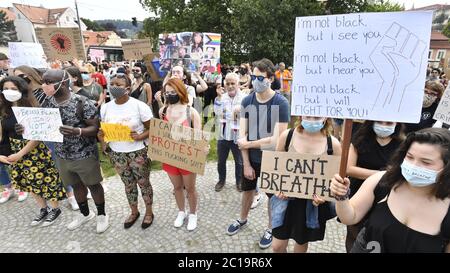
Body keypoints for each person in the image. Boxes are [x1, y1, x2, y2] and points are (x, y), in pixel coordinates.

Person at [331, 128, 450, 253]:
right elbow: (350, 217)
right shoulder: (382, 181)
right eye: (409, 157)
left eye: (426, 162)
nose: (414, 166)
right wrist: (342, 197)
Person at [226, 58, 290, 249]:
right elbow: (242, 137)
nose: (255, 81)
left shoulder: (281, 103)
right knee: (247, 191)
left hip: (273, 159)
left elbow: (277, 140)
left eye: (260, 77)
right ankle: (242, 219)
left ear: (270, 78)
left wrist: (250, 143)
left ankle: (271, 228)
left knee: (273, 197)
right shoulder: (247, 100)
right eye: (253, 77)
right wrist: (245, 163)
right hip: (251, 159)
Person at [39, 69, 109, 234]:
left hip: (84, 153)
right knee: (75, 184)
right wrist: (26, 128)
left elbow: (95, 127)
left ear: (63, 83)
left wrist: (78, 131)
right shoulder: (48, 102)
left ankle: (101, 214)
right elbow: (43, 125)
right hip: (62, 154)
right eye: (43, 82)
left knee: (93, 184)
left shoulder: (81, 102)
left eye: (48, 82)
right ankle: (85, 213)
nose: (44, 86)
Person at [0, 76, 66, 225]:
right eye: (5, 89)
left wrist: (20, 153)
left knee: (46, 180)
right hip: (14, 151)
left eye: (13, 89)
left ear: (21, 90)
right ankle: (43, 208)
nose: (9, 92)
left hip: (34, 151)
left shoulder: (32, 108)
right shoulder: (5, 109)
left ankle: (55, 209)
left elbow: (37, 136)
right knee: (28, 181)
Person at [271, 116, 341, 253]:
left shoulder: (333, 144)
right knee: (277, 246)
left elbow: (336, 178)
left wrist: (326, 196)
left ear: (325, 117)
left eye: (316, 117)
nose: (312, 120)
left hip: (311, 205)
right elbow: (275, 168)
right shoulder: (287, 136)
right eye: (308, 115)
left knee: (301, 242)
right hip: (285, 200)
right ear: (301, 115)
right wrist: (277, 187)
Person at [99, 74, 154, 229]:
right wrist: (103, 143)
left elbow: (152, 128)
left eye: (118, 84)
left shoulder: (139, 106)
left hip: (137, 152)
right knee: (128, 184)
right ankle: (134, 211)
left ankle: (149, 212)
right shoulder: (106, 107)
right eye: (112, 83)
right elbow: (102, 130)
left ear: (128, 89)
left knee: (143, 183)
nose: (114, 86)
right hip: (117, 153)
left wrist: (140, 136)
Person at [344, 120, 404, 252]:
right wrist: (381, 174)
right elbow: (349, 169)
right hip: (358, 191)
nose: (384, 126)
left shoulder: (402, 145)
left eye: (389, 123)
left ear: (396, 125)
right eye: (380, 122)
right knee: (354, 229)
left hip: (386, 195)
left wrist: (367, 173)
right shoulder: (359, 140)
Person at [159, 78, 203, 231]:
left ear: (181, 91)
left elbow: (198, 137)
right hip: (170, 157)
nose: (170, 95)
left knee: (190, 188)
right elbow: (162, 133)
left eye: (173, 92)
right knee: (177, 187)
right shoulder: (163, 111)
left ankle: (193, 214)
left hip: (187, 156)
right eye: (167, 92)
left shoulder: (191, 112)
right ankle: (181, 212)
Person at [213, 73, 246, 192]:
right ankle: (221, 180)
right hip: (223, 135)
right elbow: (217, 112)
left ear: (238, 84)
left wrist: (239, 112)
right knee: (221, 161)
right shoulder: (222, 97)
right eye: (227, 83)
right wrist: (218, 98)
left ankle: (239, 181)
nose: (230, 86)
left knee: (239, 161)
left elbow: (247, 116)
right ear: (224, 84)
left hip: (237, 136)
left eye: (233, 83)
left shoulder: (244, 98)